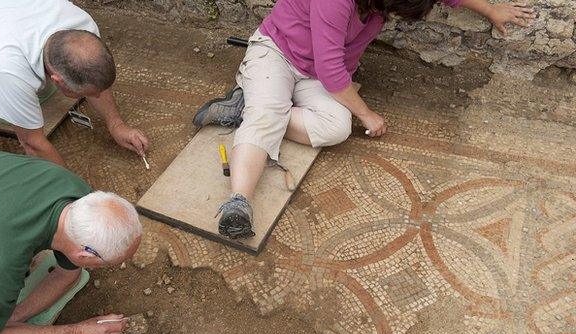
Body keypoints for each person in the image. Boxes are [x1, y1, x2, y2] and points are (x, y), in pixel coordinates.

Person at [193, 0, 534, 239]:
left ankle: (245, 108)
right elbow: (331, 70)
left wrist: (490, 9)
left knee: (336, 128)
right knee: (268, 116)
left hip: (316, 75)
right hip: (279, 53)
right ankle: (238, 201)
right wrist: (366, 114)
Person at [0, 132, 143, 334]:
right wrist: (78, 332)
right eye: (108, 264)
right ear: (85, 256)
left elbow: (68, 273)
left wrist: (13, 316)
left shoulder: (74, 192)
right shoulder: (0, 263)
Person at [0, 0, 149, 167]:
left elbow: (95, 80)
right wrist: (76, 196)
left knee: (31, 97)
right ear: (57, 80)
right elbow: (32, 144)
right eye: (88, 93)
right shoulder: (8, 69)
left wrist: (116, 125)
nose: (96, 96)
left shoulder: (83, 28)